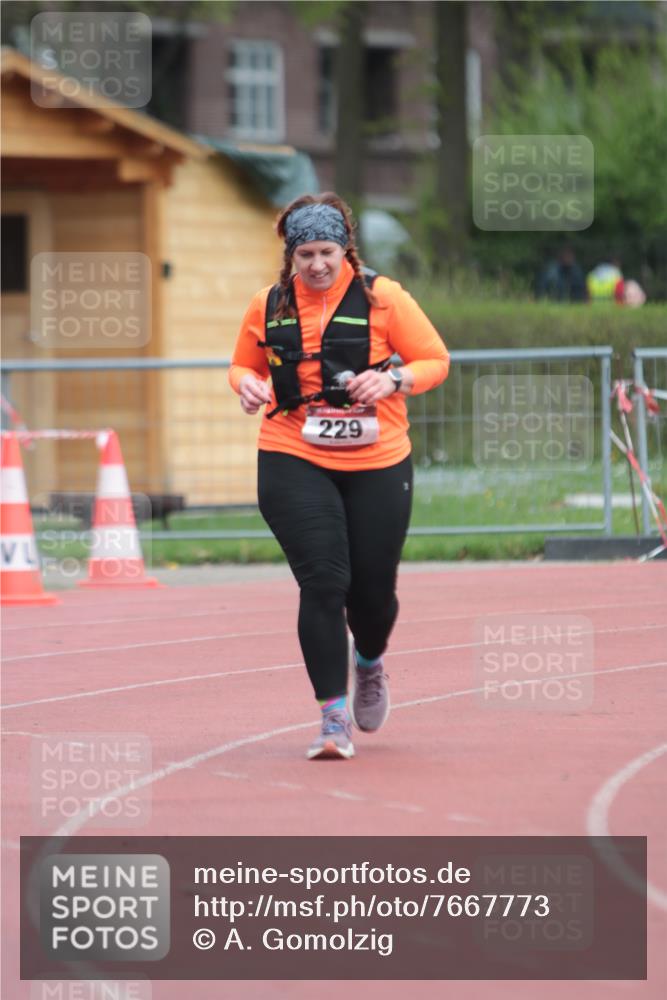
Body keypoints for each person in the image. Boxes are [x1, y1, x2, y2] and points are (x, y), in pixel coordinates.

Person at [229, 192, 450, 760]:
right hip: (291, 453)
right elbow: (243, 365)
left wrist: (395, 380)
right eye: (305, 254)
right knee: (324, 582)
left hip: (378, 459)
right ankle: (332, 720)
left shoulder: (384, 299)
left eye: (327, 251)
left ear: (345, 249)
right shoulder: (269, 304)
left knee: (372, 593)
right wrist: (246, 386)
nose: (317, 264)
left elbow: (435, 360)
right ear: (291, 256)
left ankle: (369, 662)